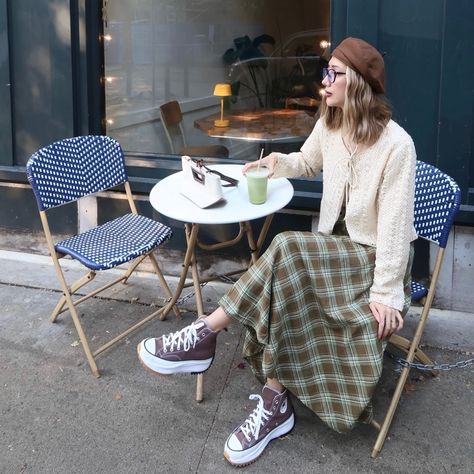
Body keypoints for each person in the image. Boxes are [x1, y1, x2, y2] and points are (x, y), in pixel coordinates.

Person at [137, 37, 417, 467]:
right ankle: (273, 402)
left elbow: (397, 227)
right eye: (326, 72)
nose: (324, 81)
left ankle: (204, 334)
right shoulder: (333, 123)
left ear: (357, 83)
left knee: (286, 247)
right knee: (287, 273)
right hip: (330, 248)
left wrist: (387, 293)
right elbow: (307, 162)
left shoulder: (397, 145)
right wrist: (273, 164)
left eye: (333, 74)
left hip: (369, 257)